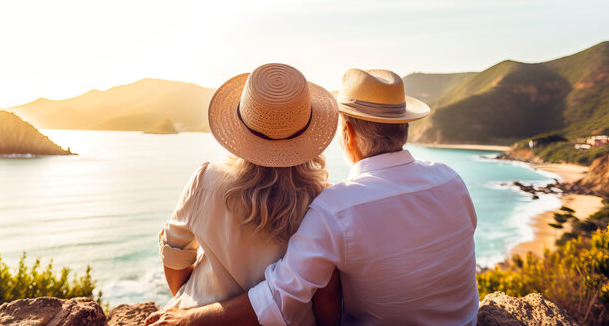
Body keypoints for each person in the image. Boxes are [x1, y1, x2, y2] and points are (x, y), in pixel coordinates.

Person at [146, 68, 479, 325]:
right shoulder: (451, 179)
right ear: (404, 127)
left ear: (346, 133)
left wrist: (188, 317)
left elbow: (278, 296)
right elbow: (326, 295)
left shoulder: (335, 210)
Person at [147, 63, 341, 326]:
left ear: (242, 125)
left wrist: (194, 302)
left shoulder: (205, 179)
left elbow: (174, 255)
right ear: (306, 132)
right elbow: (325, 295)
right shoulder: (323, 201)